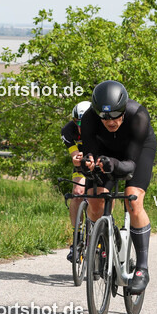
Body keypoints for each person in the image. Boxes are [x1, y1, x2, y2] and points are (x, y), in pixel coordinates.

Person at [79, 80, 157, 294]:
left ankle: (142, 268)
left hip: (137, 152)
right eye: (104, 117)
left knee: (133, 199)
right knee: (95, 199)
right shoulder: (89, 119)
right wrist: (88, 163)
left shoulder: (138, 115)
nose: (109, 121)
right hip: (106, 150)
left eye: (114, 115)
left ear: (123, 109)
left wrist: (113, 164)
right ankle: (101, 241)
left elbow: (130, 164)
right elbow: (90, 153)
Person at [62, 101, 93, 262]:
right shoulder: (68, 131)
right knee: (77, 193)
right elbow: (74, 158)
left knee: (102, 195)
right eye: (77, 122)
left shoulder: (100, 126)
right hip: (82, 164)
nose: (80, 126)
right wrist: (77, 158)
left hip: (100, 161)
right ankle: (77, 237)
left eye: (84, 122)